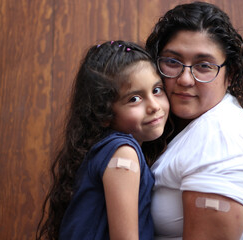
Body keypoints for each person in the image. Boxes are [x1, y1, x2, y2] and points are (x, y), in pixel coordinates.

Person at [145, 2, 243, 240]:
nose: (185, 79)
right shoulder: (175, 124)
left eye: (203, 66)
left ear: (229, 74)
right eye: (172, 61)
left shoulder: (221, 140)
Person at [36, 40, 171, 240]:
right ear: (104, 114)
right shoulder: (123, 152)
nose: (154, 106)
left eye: (157, 90)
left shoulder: (107, 148)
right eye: (134, 99)